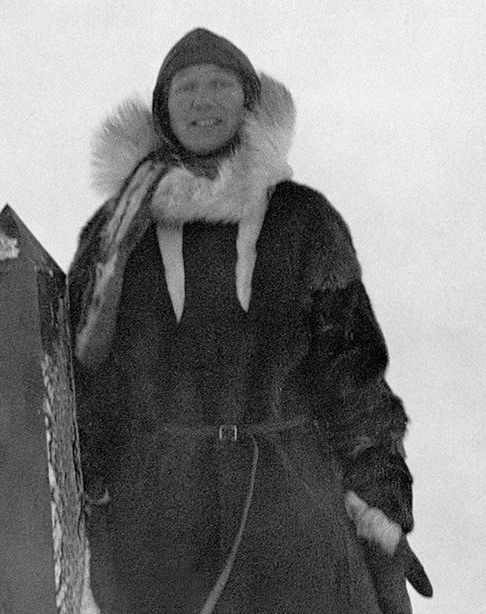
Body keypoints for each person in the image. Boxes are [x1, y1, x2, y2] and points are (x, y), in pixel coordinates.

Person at [68, 28, 432, 614]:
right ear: (163, 109)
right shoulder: (116, 235)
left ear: (249, 103)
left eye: (220, 85)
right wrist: (96, 481)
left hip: (291, 511)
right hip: (158, 522)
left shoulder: (303, 220)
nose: (203, 101)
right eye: (187, 87)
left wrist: (380, 491)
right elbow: (84, 378)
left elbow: (353, 371)